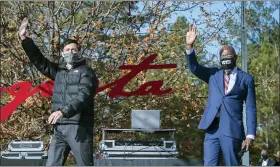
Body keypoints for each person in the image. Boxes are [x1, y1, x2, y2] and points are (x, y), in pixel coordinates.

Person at [18, 18, 98, 166]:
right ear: (62, 54)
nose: (70, 52)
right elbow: (39, 61)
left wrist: (63, 111)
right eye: (67, 50)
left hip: (78, 126)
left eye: (74, 50)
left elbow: (84, 95)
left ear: (79, 52)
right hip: (59, 128)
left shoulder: (87, 72)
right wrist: (24, 38)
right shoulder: (59, 72)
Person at [185, 24, 257, 166]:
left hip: (232, 129)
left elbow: (250, 108)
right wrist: (189, 46)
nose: (226, 58)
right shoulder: (213, 75)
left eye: (228, 56)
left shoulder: (246, 79)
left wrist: (250, 135)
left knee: (232, 163)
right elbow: (194, 68)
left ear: (235, 57)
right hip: (211, 129)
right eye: (223, 56)